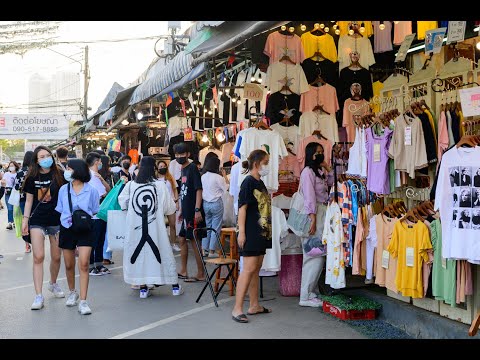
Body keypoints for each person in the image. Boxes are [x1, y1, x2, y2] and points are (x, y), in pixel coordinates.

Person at [118, 156, 184, 298]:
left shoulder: (131, 186)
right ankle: (174, 285)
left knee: (140, 255)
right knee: (163, 253)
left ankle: (142, 286)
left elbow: (123, 203)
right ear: (154, 168)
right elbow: (169, 208)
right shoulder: (159, 186)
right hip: (156, 228)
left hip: (135, 228)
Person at [21, 145, 66, 310]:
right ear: (36, 160)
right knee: (38, 257)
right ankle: (38, 296)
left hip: (56, 220)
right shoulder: (32, 176)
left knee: (56, 257)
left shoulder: (59, 174)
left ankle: (53, 283)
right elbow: (29, 201)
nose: (46, 158)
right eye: (41, 156)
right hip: (37, 220)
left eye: (47, 155)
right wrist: (25, 220)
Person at [231, 149, 272, 323]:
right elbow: (242, 208)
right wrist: (242, 232)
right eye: (266, 162)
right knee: (248, 268)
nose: (267, 166)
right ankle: (237, 308)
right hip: (251, 231)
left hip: (262, 232)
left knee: (256, 268)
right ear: (257, 164)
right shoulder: (248, 183)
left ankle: (254, 305)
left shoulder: (259, 182)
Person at [55, 159, 99, 315]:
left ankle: (84, 301)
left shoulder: (92, 190)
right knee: (68, 264)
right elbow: (60, 210)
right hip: (67, 228)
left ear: (78, 170)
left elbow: (94, 210)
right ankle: (73, 292)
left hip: (85, 228)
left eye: (69, 168)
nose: (67, 171)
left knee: (84, 263)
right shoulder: (63, 190)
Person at [299, 142, 333, 308]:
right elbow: (309, 197)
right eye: (317, 153)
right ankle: (305, 295)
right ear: (310, 154)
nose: (320, 155)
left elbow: (333, 183)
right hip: (314, 216)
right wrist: (312, 219)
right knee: (314, 256)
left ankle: (310, 292)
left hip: (321, 214)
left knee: (318, 255)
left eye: (322, 152)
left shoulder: (319, 171)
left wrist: (327, 167)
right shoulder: (307, 172)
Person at [175, 142, 206, 282]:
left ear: (188, 154)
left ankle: (200, 273)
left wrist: (197, 210)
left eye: (182, 154)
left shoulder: (192, 168)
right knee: (182, 239)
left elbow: (198, 189)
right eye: (177, 154)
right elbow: (184, 191)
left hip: (194, 212)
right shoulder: (182, 169)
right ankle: (183, 270)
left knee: (194, 241)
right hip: (186, 212)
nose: (179, 156)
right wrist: (181, 209)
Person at [86, 152, 111, 276]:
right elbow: (103, 193)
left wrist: (101, 179)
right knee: (94, 240)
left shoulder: (97, 176)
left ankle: (99, 264)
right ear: (96, 162)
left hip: (100, 213)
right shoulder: (89, 175)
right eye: (100, 161)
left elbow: (108, 191)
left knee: (100, 239)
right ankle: (91, 266)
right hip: (93, 214)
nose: (101, 164)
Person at [201, 156, 229, 258]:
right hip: (216, 203)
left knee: (207, 227)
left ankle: (205, 250)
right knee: (216, 227)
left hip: (206, 204)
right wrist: (225, 176)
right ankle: (212, 251)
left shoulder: (203, 176)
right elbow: (226, 188)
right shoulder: (218, 177)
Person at [157, 160, 181, 252]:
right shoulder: (155, 179)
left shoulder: (170, 178)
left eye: (164, 166)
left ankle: (173, 243)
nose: (162, 168)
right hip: (160, 205)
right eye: (161, 166)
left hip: (171, 203)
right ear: (157, 168)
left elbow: (175, 190)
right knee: (161, 225)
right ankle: (162, 244)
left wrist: (177, 202)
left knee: (172, 225)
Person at [14, 151, 34, 253]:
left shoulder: (20, 172)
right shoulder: (35, 171)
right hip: (35, 200)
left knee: (25, 221)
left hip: (23, 199)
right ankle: (36, 242)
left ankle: (27, 245)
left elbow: (16, 186)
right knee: (34, 221)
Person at [4, 160, 20, 230]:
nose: (11, 167)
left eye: (12, 166)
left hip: (16, 192)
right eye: (10, 166)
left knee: (16, 209)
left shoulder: (18, 174)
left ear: (16, 166)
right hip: (8, 192)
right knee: (10, 208)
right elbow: (4, 181)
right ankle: (10, 223)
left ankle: (15, 222)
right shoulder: (7, 174)